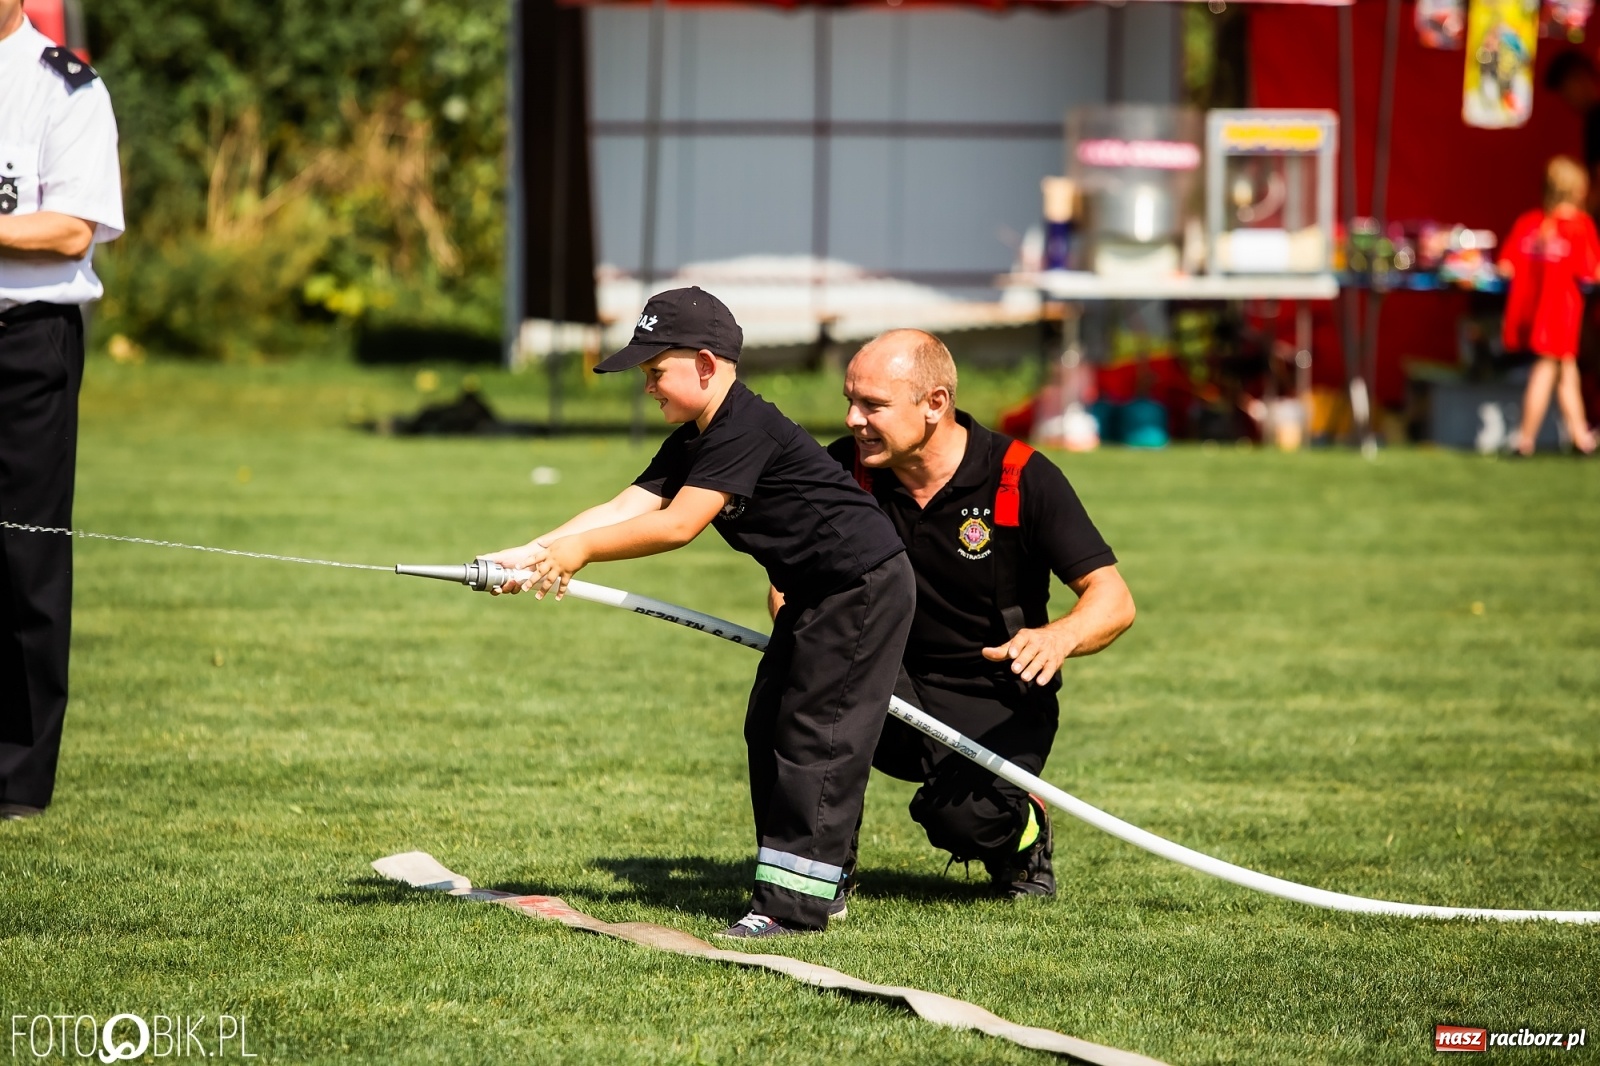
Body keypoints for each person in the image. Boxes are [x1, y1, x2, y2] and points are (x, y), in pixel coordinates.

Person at [485, 287, 914, 938]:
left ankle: (794, 908)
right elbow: (625, 507)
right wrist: (532, 554)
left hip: (859, 587)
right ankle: (816, 884)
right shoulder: (697, 438)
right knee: (769, 726)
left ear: (706, 366)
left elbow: (678, 524)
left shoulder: (742, 428)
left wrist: (581, 553)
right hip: (814, 592)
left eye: (657, 371)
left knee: (815, 736)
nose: (647, 387)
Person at [788, 329, 1134, 902]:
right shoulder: (842, 472)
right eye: (850, 401)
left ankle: (1023, 832)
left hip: (995, 692)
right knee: (797, 698)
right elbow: (787, 588)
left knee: (965, 821)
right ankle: (823, 868)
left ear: (935, 403)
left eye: (873, 405)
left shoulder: (1021, 475)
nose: (852, 419)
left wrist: (1058, 638)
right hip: (883, 673)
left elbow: (1113, 599)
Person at [0, 0, 125, 821]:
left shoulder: (64, 88)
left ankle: (15, 778)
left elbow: (73, 229)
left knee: (25, 554)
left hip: (23, 343)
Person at [1499, 156, 1600, 455]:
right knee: (1545, 368)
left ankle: (1580, 437)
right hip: (1561, 312)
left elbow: (1505, 266)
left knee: (1566, 370)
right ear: (1580, 190)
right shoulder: (1579, 226)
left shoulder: (1529, 223)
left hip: (1532, 311)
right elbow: (1590, 270)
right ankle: (1524, 439)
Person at [1545, 53, 1600, 215]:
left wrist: (1582, 215)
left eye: (1566, 90)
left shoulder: (1596, 119)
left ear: (1580, 78)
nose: (1567, 100)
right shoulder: (1592, 118)